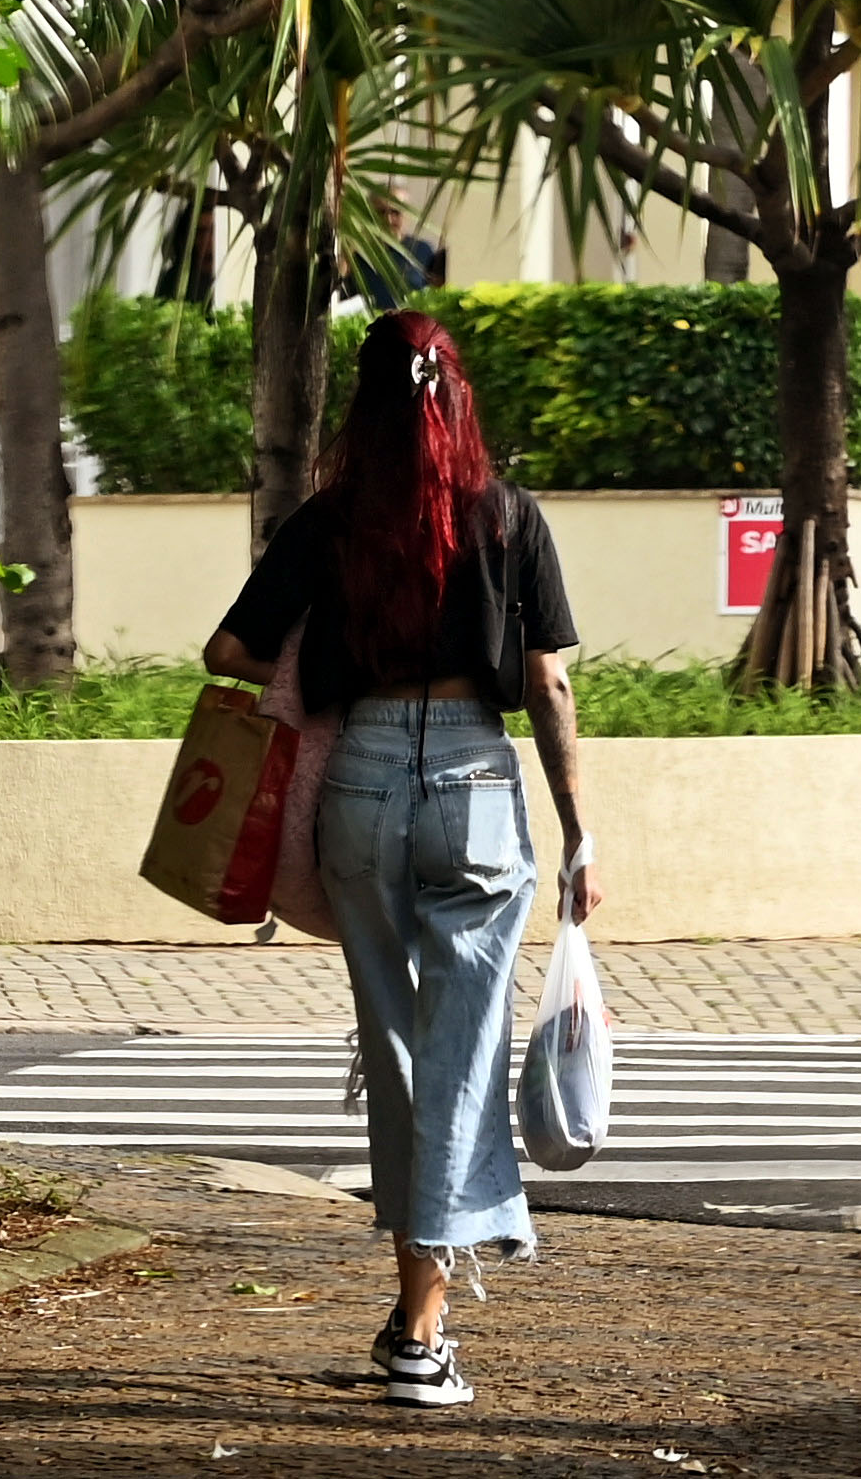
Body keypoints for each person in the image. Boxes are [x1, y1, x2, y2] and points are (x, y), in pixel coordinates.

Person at [205, 313, 596, 1413]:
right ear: (458, 396)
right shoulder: (510, 515)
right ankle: (424, 1334)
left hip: (361, 783)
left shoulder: (328, 519)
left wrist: (330, 644)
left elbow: (227, 650)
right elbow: (550, 682)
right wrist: (579, 832)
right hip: (474, 782)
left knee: (396, 1045)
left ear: (365, 406)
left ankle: (410, 1315)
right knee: (462, 1050)